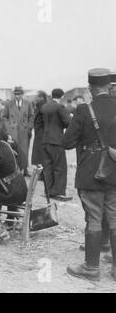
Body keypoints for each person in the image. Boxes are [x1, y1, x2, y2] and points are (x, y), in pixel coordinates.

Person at [63, 68, 116, 282]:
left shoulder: (85, 109)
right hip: (115, 171)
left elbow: (67, 143)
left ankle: (91, 268)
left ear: (90, 88)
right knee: (115, 218)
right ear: (110, 86)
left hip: (91, 173)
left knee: (94, 218)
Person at [41, 88, 72, 201]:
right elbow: (68, 122)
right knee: (60, 167)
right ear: (62, 96)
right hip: (56, 140)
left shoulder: (44, 107)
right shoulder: (59, 107)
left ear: (51, 95)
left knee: (48, 167)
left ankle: (48, 191)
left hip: (45, 140)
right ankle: (58, 192)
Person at [2, 86, 34, 176]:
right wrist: (8, 127)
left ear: (22, 94)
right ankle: (15, 170)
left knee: (24, 150)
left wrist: (29, 126)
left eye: (19, 94)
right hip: (13, 131)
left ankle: (25, 169)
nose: (17, 96)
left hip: (24, 131)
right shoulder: (9, 104)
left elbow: (31, 116)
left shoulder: (28, 103)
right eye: (15, 94)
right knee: (14, 150)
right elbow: (4, 116)